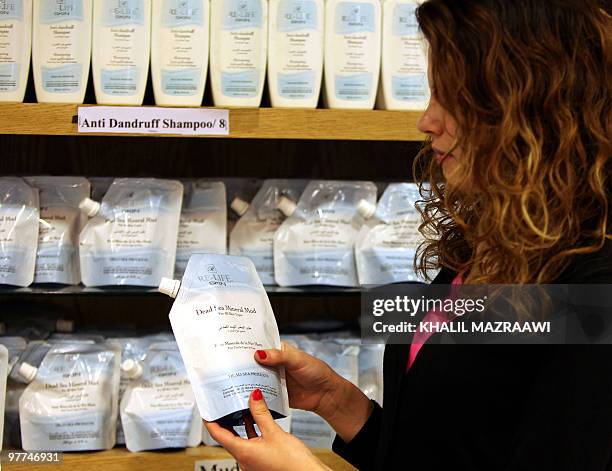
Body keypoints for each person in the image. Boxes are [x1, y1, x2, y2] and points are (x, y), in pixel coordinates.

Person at [204, 0, 612, 469]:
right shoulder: (485, 250)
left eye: (452, 101)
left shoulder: (592, 290)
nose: (427, 121)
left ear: (534, 112)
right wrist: (337, 402)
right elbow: (444, 448)